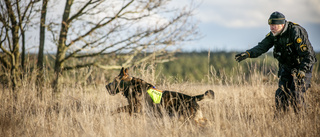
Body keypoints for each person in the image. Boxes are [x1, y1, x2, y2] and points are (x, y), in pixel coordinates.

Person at [235, 11, 317, 114]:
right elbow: (262, 47)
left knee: (296, 95)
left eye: (274, 25)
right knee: (280, 96)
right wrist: (248, 53)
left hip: (302, 67)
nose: (271, 28)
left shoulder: (295, 32)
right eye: (270, 25)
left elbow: (309, 55)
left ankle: (303, 118)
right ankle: (281, 121)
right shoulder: (273, 35)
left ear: (282, 24)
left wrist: (303, 70)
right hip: (287, 68)